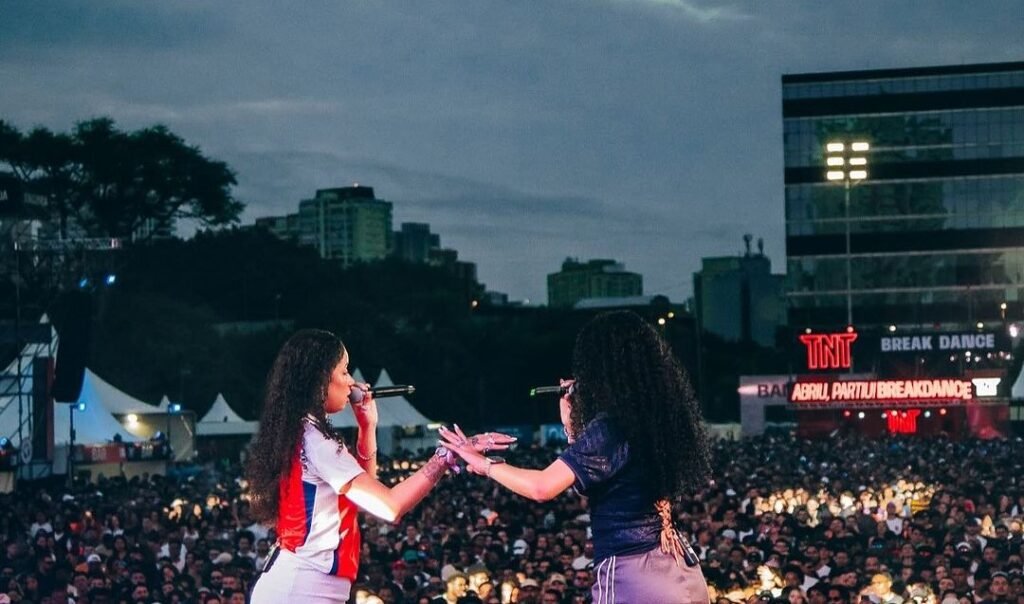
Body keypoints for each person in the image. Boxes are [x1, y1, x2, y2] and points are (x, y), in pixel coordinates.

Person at [441, 310, 712, 603]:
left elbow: (542, 487)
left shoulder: (612, 427)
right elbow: (608, 473)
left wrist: (484, 463)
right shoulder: (660, 420)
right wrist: (572, 424)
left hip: (634, 574)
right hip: (681, 568)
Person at [247, 329, 513, 603]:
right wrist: (445, 455)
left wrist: (367, 426)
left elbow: (366, 492)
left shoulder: (304, 432)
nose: (351, 382)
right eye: (344, 371)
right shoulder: (315, 441)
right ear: (320, 379)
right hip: (300, 588)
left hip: (300, 584)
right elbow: (389, 506)